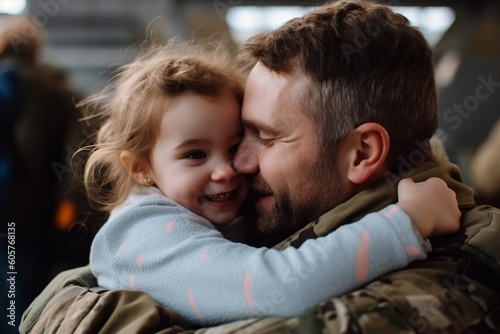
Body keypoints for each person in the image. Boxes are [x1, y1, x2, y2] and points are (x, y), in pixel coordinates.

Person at [19, 1, 500, 333]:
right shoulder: (290, 212)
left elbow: (277, 287)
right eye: (196, 152)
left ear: (361, 153)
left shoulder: (436, 281)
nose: (238, 166)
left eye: (263, 138)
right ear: (141, 167)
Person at [83, 41, 457, 327]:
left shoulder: (213, 211)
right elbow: (275, 288)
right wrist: (407, 221)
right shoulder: (142, 231)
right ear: (140, 168)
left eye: (236, 145)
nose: (230, 169)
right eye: (195, 155)